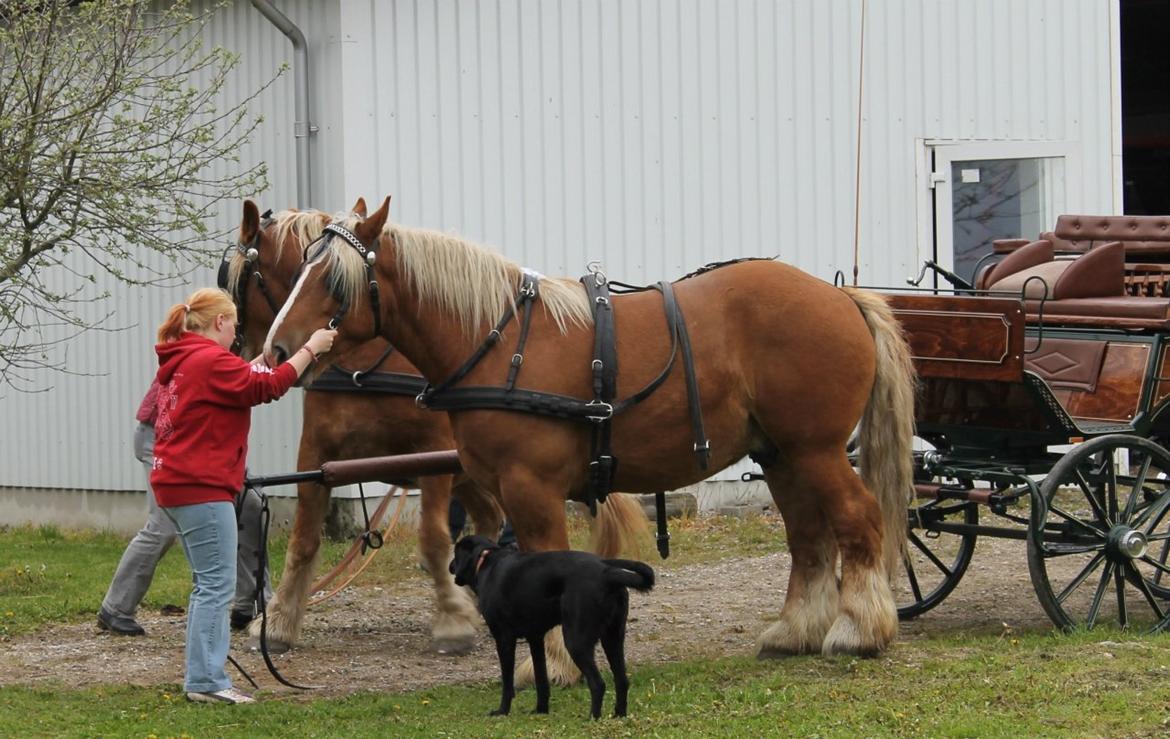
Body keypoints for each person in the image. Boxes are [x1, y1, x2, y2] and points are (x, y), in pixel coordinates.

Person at [149, 287, 335, 705]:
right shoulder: (212, 360)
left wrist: (260, 364)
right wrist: (311, 348)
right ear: (220, 322)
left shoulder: (186, 360)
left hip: (176, 485)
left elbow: (241, 381)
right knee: (217, 586)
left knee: (206, 584)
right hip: (203, 488)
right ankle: (207, 681)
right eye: (233, 323)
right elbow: (267, 389)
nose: (236, 332)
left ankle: (203, 675)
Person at [97, 384, 272, 637]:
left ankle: (249, 604)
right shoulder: (197, 352)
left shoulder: (232, 352)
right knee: (163, 524)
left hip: (204, 441)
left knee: (251, 505)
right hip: (162, 437)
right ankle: (116, 608)